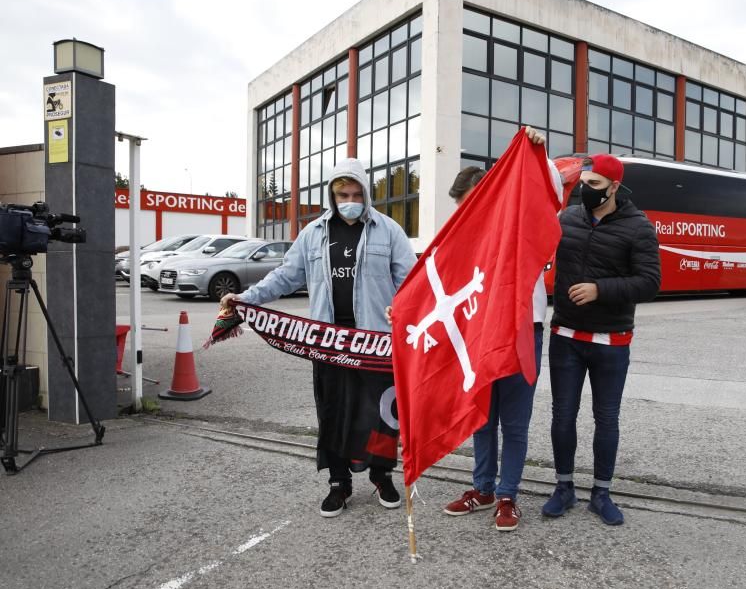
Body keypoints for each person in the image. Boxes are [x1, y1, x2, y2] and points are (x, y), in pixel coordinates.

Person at [221, 159, 416, 518]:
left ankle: (382, 474)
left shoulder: (388, 231)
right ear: (331, 195)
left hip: (375, 344)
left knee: (381, 415)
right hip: (327, 343)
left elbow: (410, 282)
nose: (351, 200)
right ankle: (339, 483)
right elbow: (285, 276)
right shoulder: (314, 234)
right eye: (343, 194)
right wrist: (246, 299)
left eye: (357, 193)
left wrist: (409, 314)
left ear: (367, 194)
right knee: (333, 414)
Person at [442, 127, 557, 532]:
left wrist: (538, 152)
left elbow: (551, 190)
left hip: (525, 328)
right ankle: (483, 488)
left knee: (515, 421)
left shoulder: (521, 217)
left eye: (471, 203)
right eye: (461, 207)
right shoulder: (462, 233)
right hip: (481, 332)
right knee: (482, 417)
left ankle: (507, 494)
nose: (466, 212)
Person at [542, 154, 660, 526]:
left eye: (594, 185)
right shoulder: (568, 218)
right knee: (562, 415)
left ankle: (601, 493)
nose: (584, 190)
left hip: (612, 340)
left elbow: (650, 282)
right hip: (565, 335)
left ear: (614, 187)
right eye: (583, 183)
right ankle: (563, 488)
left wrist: (600, 290)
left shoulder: (638, 227)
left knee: (606, 418)